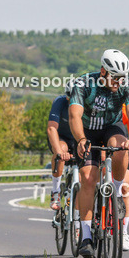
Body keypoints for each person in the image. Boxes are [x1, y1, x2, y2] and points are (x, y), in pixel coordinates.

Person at [68, 50, 129, 258]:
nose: (119, 81)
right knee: (88, 178)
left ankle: (116, 192)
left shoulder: (125, 85)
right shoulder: (84, 84)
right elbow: (74, 116)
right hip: (87, 131)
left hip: (112, 126)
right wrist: (81, 139)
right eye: (115, 77)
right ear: (103, 71)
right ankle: (85, 236)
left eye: (122, 77)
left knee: (121, 150)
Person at [46, 82, 79, 210]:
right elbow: (51, 129)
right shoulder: (60, 102)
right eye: (71, 99)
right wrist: (59, 152)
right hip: (62, 138)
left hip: (78, 140)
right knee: (61, 149)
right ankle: (56, 192)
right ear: (67, 97)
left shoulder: (87, 106)